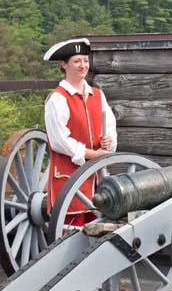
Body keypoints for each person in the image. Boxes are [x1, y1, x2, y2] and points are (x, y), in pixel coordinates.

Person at [44, 37, 117, 226]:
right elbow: (59, 140)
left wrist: (108, 141)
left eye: (85, 60)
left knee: (99, 230)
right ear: (64, 65)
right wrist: (90, 154)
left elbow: (109, 124)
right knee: (70, 233)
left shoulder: (97, 95)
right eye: (77, 61)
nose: (83, 65)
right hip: (69, 178)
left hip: (97, 179)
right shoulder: (57, 99)